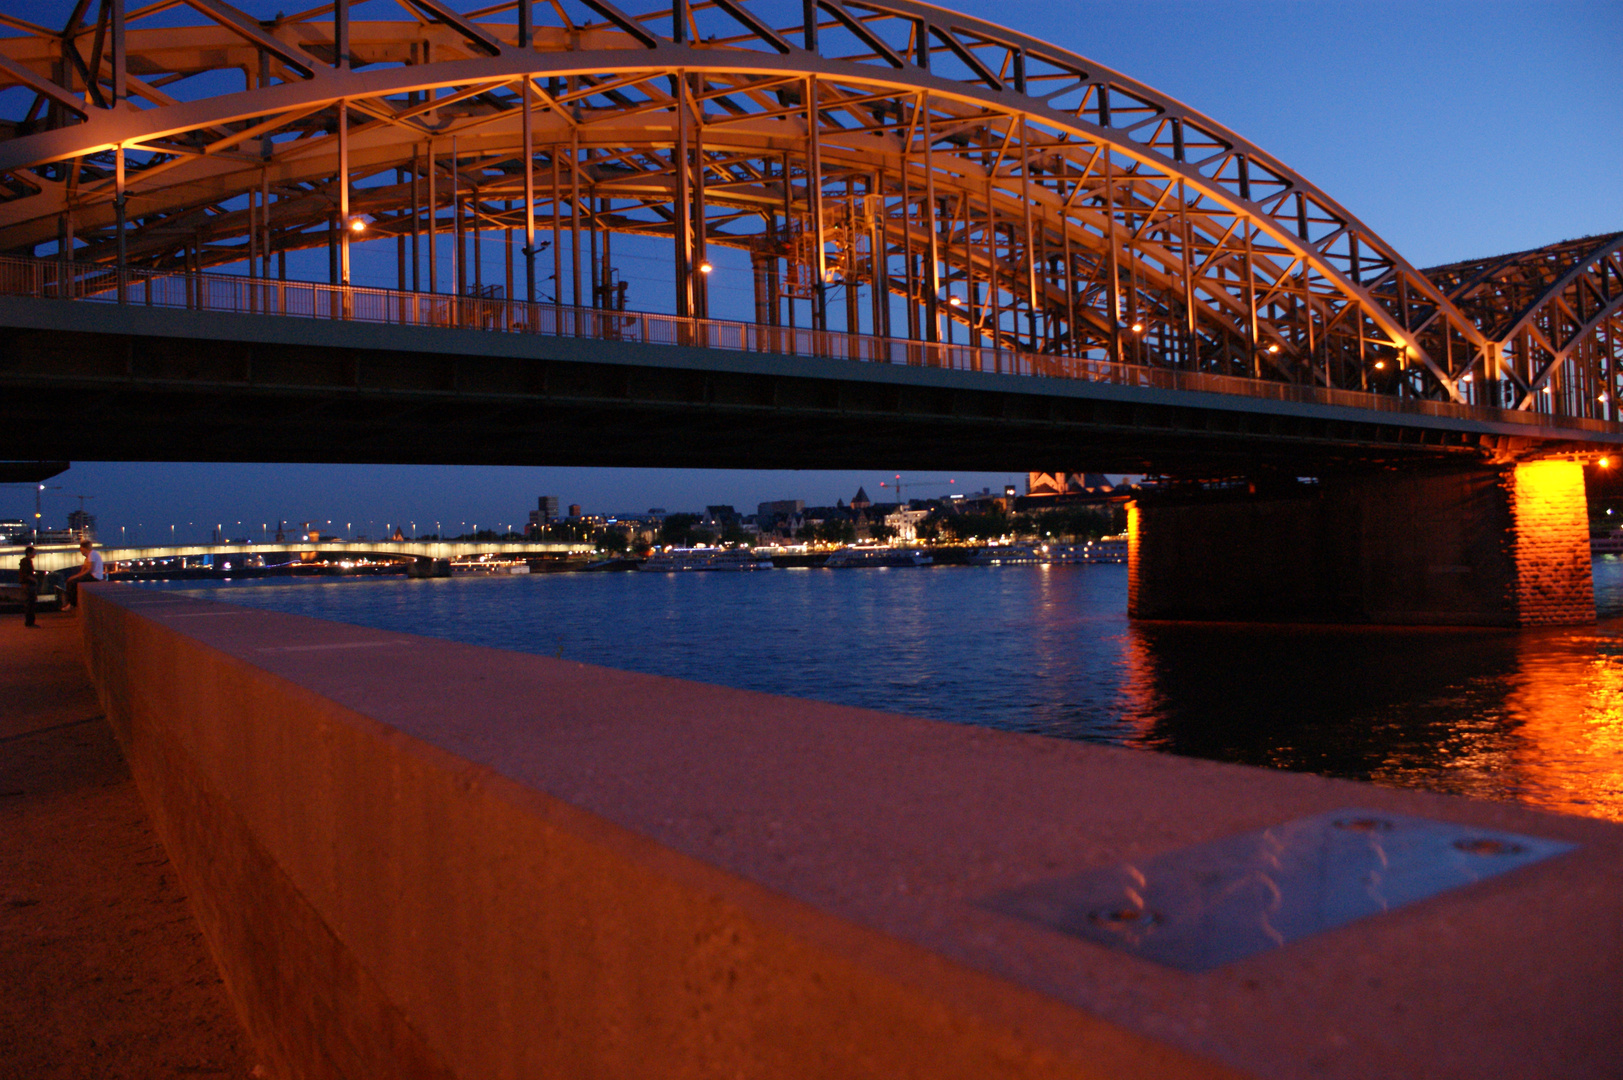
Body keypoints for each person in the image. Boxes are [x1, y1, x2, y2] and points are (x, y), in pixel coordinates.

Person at [62, 540, 105, 611]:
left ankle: (72, 604)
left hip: (94, 576)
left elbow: (90, 569)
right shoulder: (88, 556)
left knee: (72, 583)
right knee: (71, 581)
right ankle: (71, 603)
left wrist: (76, 577)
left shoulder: (92, 554)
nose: (81, 551)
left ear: (84, 548)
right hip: (92, 575)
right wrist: (75, 576)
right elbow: (83, 570)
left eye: (81, 549)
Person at [18, 545, 38, 628]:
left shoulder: (24, 561)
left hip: (26, 584)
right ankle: (30, 622)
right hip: (28, 585)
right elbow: (26, 574)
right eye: (34, 552)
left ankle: (29, 622)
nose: (35, 554)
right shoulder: (27, 562)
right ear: (29, 553)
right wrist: (34, 580)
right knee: (30, 603)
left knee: (29, 603)